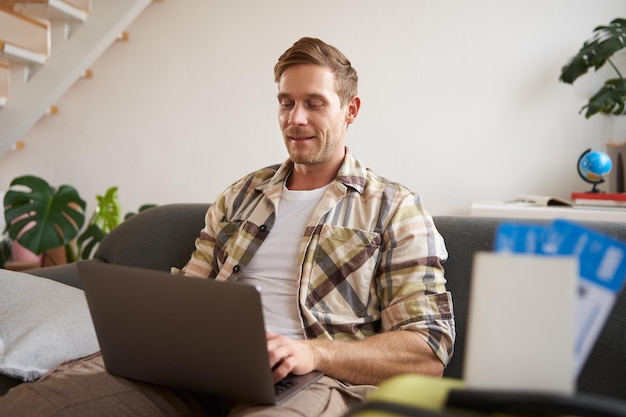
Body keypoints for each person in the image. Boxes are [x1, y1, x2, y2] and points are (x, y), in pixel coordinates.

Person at [0, 37, 454, 417]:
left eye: (314, 104)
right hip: (194, 372)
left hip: (310, 380)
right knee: (37, 404)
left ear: (350, 109)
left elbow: (427, 352)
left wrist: (312, 352)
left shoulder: (394, 208)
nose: (296, 119)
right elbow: (187, 296)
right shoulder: (241, 196)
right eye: (286, 102)